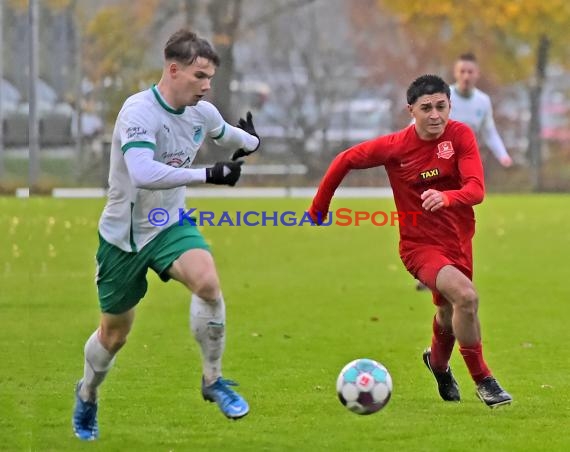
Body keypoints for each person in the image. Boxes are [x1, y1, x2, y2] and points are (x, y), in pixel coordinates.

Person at [72, 29, 261, 441]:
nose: (207, 85)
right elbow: (142, 173)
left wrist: (252, 140)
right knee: (114, 334)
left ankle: (213, 380)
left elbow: (229, 135)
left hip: (169, 223)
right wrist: (208, 174)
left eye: (210, 77)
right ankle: (87, 394)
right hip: (123, 238)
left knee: (208, 284)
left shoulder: (201, 112)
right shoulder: (138, 112)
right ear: (173, 70)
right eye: (200, 76)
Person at [308, 74, 512, 409]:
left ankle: (439, 364)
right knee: (466, 297)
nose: (435, 115)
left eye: (441, 106)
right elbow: (345, 159)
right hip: (419, 246)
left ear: (450, 106)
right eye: (426, 108)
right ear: (411, 111)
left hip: (459, 240)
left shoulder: (460, 135)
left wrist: (447, 198)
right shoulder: (395, 147)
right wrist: (319, 208)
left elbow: (476, 190)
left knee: (448, 312)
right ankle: (484, 381)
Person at [414, 52, 512, 292]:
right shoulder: (443, 98)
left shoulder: (482, 102)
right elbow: (421, 121)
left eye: (470, 71)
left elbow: (489, 131)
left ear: (477, 74)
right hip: (437, 166)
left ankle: (449, 268)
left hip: (465, 169)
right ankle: (431, 269)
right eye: (462, 71)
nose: (466, 76)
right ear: (456, 73)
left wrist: (503, 154)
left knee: (460, 221)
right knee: (436, 216)